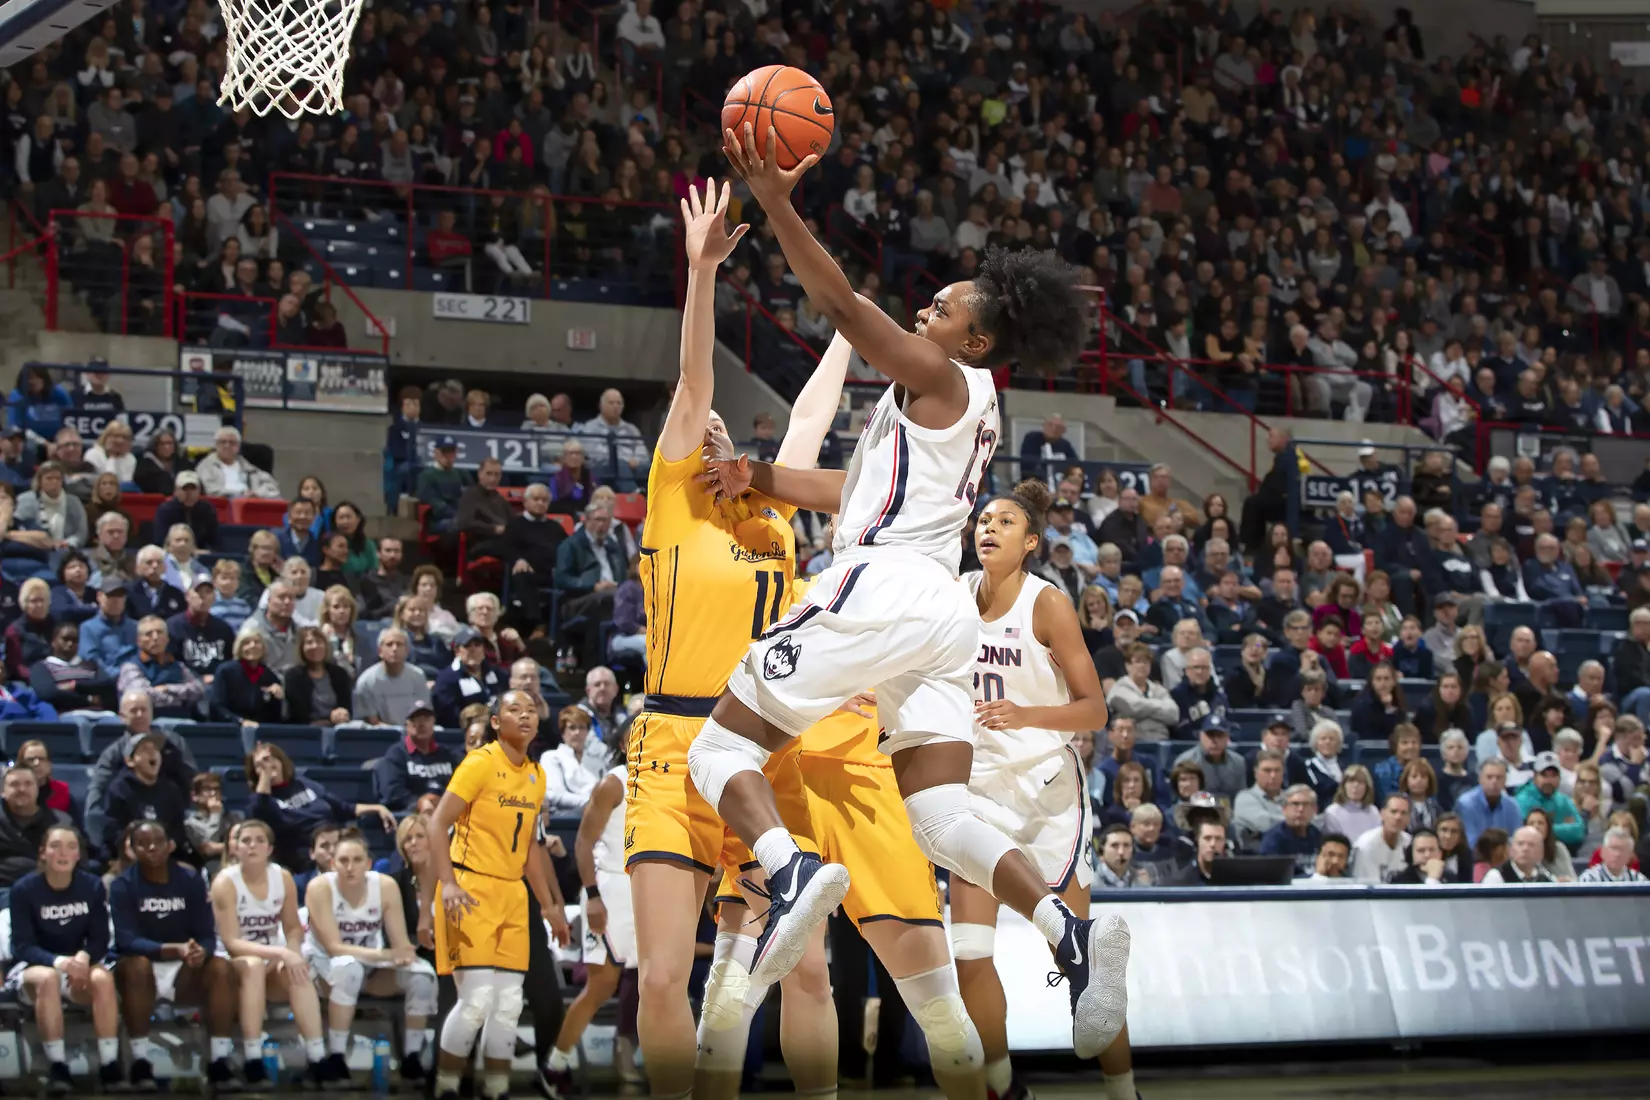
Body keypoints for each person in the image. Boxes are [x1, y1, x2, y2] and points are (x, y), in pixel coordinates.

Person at [700, 130, 1118, 1063]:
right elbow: (850, 488)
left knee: (719, 747)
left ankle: (790, 867)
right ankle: (1063, 927)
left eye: (945, 304)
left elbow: (842, 304)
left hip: (881, 585)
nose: (927, 304)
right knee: (938, 816)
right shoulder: (955, 402)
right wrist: (755, 473)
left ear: (976, 337)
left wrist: (772, 199)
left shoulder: (945, 373)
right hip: (940, 614)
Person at [601, 180, 856, 1100]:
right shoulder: (672, 501)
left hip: (763, 750)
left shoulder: (774, 511)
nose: (711, 430)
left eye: (721, 431)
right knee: (664, 975)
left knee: (810, 969)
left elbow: (815, 418)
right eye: (697, 428)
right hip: (672, 746)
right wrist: (703, 273)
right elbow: (695, 378)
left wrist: (851, 328)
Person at [952, 480, 1134, 1100]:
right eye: (982, 520)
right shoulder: (954, 596)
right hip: (975, 789)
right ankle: (1004, 1088)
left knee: (1077, 957)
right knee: (969, 954)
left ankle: (1122, 1090)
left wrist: (1026, 715)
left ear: (1030, 542)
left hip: (1045, 789)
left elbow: (1096, 711)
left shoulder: (1047, 602)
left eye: (1004, 522)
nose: (988, 529)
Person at [418, 692, 569, 1100]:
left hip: (513, 895)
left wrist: (551, 906)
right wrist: (446, 884)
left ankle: (497, 1089)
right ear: (497, 722)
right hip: (469, 888)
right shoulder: (480, 762)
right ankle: (447, 1086)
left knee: (508, 1004)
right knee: (477, 1000)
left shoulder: (537, 775)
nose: (525, 715)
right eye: (514, 710)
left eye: (531, 710)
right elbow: (436, 826)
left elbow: (531, 853)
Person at [110, 820, 240, 1089]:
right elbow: (126, 940)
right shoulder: (122, 885)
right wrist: (173, 949)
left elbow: (206, 934)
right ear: (132, 850)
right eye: (143, 844)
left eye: (158, 842)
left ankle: (219, 1061)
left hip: (183, 969)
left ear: (170, 845)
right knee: (137, 966)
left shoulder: (190, 879)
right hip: (143, 970)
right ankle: (140, 1062)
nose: (152, 848)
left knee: (221, 969)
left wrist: (199, 951)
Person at [302, 828, 438, 1083]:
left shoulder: (385, 886)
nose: (350, 867)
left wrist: (405, 955)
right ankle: (337, 1057)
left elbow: (398, 942)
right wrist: (385, 953)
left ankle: (411, 1058)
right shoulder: (320, 887)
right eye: (343, 861)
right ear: (333, 864)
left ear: (369, 863)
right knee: (348, 967)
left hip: (372, 967)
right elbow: (334, 947)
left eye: (357, 861)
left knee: (422, 975)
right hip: (325, 970)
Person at [210, 818, 331, 1087]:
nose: (252, 846)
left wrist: (291, 951)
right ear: (235, 848)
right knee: (253, 965)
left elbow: (292, 927)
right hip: (233, 964)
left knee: (298, 971)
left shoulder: (282, 877)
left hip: (272, 957)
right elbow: (231, 942)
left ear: (269, 848)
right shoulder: (224, 882)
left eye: (259, 840)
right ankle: (253, 1060)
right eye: (245, 841)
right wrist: (282, 953)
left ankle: (318, 1059)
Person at [8, 824, 124, 1093]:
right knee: (48, 979)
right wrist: (59, 962)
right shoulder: (23, 890)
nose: (63, 852)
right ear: (43, 853)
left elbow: (99, 939)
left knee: (102, 979)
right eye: (56, 846)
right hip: (35, 967)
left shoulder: (91, 885)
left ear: (78, 855)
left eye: (71, 847)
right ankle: (57, 1066)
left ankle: (109, 1065)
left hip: (78, 964)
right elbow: (22, 946)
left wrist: (83, 957)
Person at [544, 757, 632, 1090]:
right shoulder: (613, 782)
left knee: (658, 983)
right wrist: (593, 895)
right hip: (611, 889)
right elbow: (582, 842)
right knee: (601, 985)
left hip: (648, 889)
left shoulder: (669, 777)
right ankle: (556, 1065)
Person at [245, 741, 395, 870]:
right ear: (255, 773)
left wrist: (377, 807)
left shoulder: (304, 784)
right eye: (260, 765)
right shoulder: (260, 801)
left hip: (336, 840)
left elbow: (343, 808)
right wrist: (265, 776)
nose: (267, 765)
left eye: (270, 759)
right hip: (306, 856)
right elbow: (259, 813)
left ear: (281, 761)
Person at [101, 732, 190, 863]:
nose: (152, 753)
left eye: (155, 749)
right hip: (129, 858)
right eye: (144, 750)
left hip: (166, 858)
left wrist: (172, 843)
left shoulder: (171, 789)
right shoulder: (119, 789)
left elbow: (178, 829)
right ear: (130, 761)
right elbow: (112, 831)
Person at [371, 702, 458, 812]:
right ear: (407, 725)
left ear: (433, 722)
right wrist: (418, 803)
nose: (421, 724)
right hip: (411, 816)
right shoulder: (396, 755)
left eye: (426, 719)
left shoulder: (447, 755)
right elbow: (392, 792)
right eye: (415, 720)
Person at [0, 764, 71, 888]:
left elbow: (78, 863)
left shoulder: (61, 822)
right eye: (14, 784)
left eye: (28, 784)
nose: (22, 789)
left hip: (50, 891)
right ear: (2, 791)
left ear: (37, 788)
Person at [539, 704, 610, 811]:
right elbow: (555, 795)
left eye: (582, 728)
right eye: (572, 728)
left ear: (587, 732)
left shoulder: (597, 761)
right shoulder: (551, 757)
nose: (577, 733)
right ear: (563, 732)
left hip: (597, 814)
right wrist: (591, 803)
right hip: (565, 818)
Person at [352, 627, 426, 726]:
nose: (394, 649)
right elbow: (373, 721)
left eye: (399, 644)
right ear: (380, 651)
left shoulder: (418, 676)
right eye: (389, 644)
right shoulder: (366, 681)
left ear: (407, 650)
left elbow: (423, 713)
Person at [1454, 758, 1526, 847]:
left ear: (1505, 780)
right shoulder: (1465, 804)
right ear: (1480, 779)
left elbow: (1517, 839)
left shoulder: (1512, 806)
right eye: (1489, 777)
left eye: (1499, 777)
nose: (1494, 781)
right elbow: (1470, 842)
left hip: (1505, 856)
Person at [1259, 784, 1324, 875]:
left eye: (1306, 804)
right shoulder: (1274, 838)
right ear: (1284, 809)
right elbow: (1272, 873)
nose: (1301, 809)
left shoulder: (1316, 834)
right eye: (1295, 804)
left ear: (1315, 809)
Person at [1350, 793, 1413, 883]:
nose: (1398, 817)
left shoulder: (1409, 842)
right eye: (1393, 812)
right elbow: (1366, 887)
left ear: (1408, 818)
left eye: (1403, 813)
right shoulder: (1366, 845)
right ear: (1382, 814)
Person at [1480, 824, 1557, 884]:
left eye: (1531, 844)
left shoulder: (1547, 878)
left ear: (1541, 852)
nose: (1525, 849)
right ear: (1511, 849)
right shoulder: (1496, 876)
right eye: (1520, 844)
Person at [1389, 827, 1462, 884]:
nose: (1427, 855)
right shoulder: (1400, 880)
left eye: (1432, 850)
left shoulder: (1449, 877)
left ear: (1440, 854)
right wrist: (1432, 878)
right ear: (1412, 854)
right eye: (1421, 850)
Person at [1578, 827, 1649, 883]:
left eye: (1622, 850)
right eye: (1613, 848)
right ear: (1603, 852)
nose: (1617, 854)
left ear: (1629, 855)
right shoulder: (1588, 879)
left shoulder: (1639, 880)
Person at [1169, 818, 1227, 887]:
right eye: (1207, 838)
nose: (1213, 844)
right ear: (1197, 840)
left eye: (1218, 838)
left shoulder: (1235, 879)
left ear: (1224, 842)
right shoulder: (1180, 881)